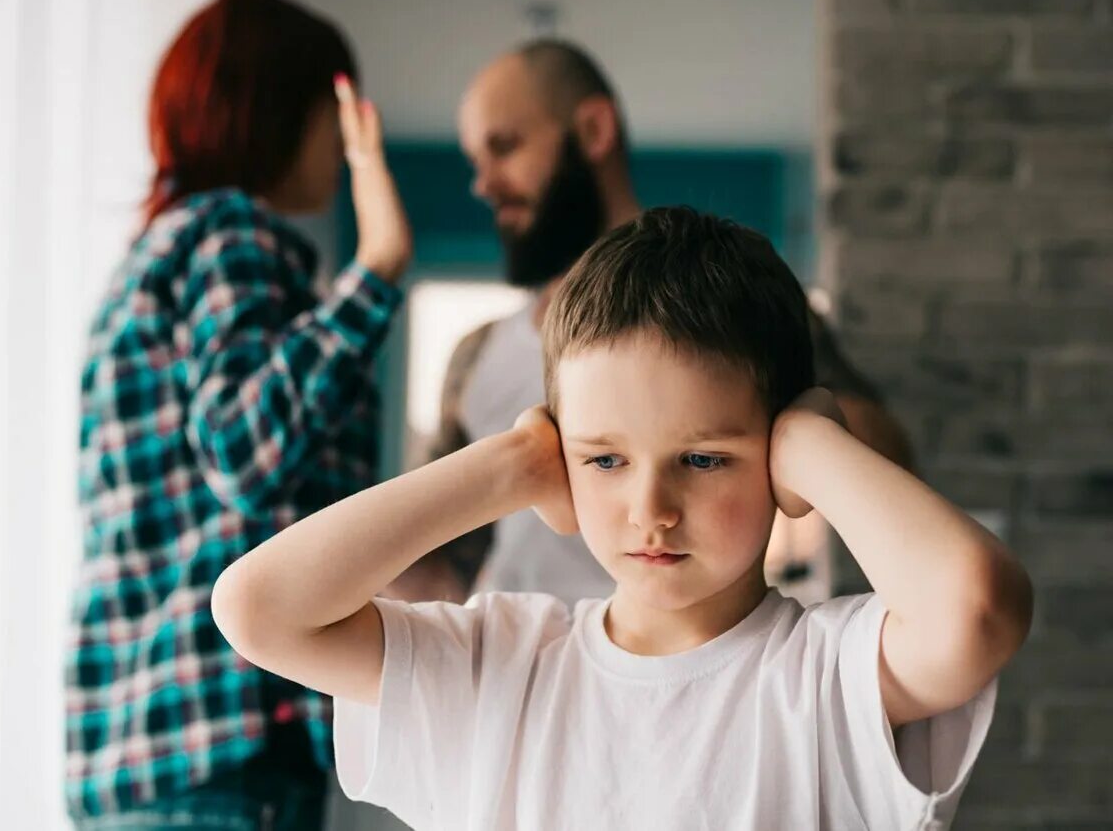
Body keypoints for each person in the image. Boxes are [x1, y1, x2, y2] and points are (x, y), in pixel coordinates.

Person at [212, 206, 1032, 829]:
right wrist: (508, 466)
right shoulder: (502, 666)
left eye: (704, 459)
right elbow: (257, 608)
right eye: (604, 460)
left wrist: (813, 447)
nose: (652, 512)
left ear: (778, 452)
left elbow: (980, 608)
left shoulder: (826, 676)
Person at [65, 0, 412, 828]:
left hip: (138, 749)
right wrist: (380, 265)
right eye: (337, 107)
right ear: (282, 108)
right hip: (223, 743)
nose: (345, 140)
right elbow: (243, 448)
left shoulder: (147, 263)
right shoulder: (231, 236)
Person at [403, 39, 912, 604]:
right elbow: (440, 566)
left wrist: (779, 434)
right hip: (522, 670)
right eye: (477, 161)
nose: (483, 183)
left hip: (680, 663)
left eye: (505, 147)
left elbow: (884, 457)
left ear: (594, 130)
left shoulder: (727, 306)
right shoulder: (475, 355)